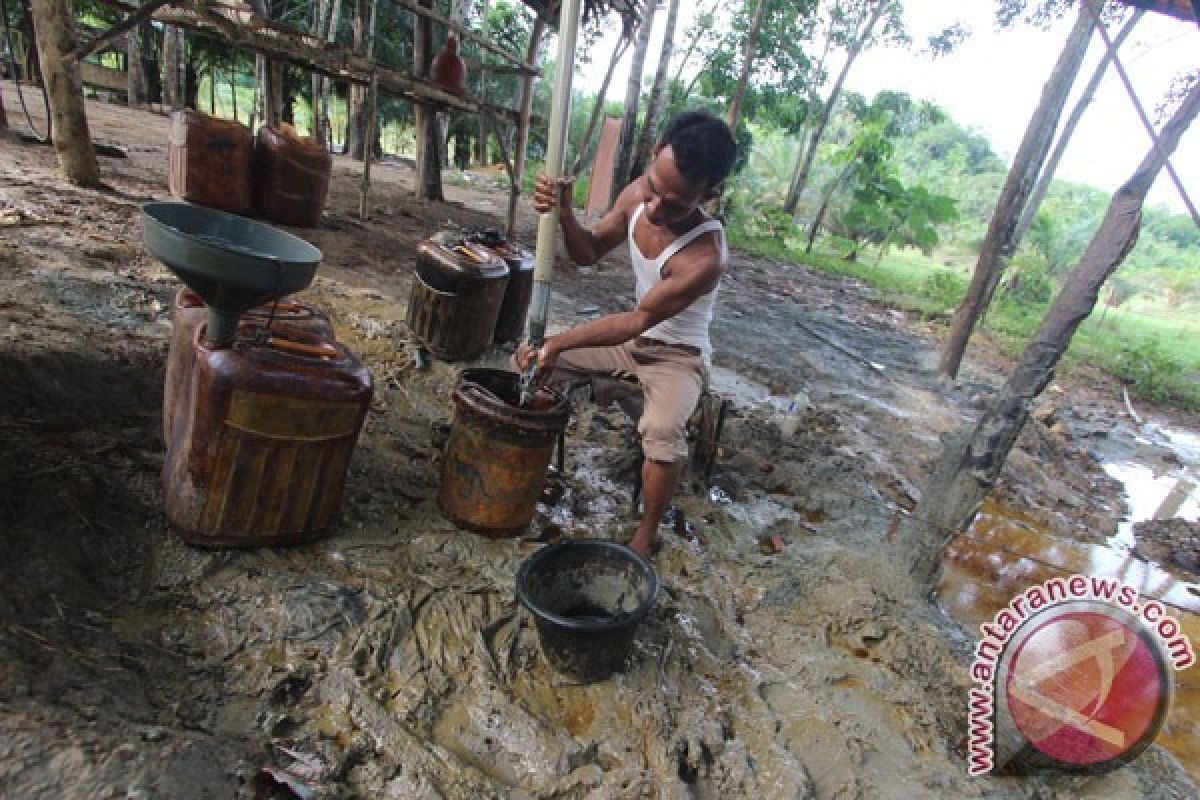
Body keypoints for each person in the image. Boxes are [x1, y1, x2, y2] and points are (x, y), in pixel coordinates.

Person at [516, 110, 737, 557]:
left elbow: (638, 319)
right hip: (631, 344)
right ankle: (524, 472)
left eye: (676, 204)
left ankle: (646, 531)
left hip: (678, 355)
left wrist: (560, 341)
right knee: (531, 365)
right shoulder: (639, 191)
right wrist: (563, 214)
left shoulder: (705, 257)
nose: (655, 208)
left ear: (709, 194)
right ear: (655, 154)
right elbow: (588, 252)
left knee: (660, 432)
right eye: (655, 187)